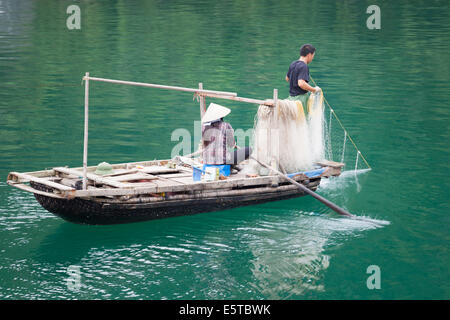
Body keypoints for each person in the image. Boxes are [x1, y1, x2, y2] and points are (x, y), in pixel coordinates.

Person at [201, 103, 251, 167]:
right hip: (222, 162)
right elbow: (231, 145)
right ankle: (230, 167)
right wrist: (233, 144)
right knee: (248, 149)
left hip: (207, 161)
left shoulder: (203, 127)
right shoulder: (226, 125)